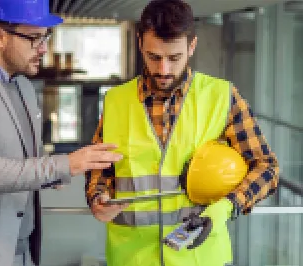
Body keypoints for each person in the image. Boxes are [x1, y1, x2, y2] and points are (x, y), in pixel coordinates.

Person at [0, 0, 122, 266]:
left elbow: (29, 160)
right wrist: (65, 164)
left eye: (45, 38)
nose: (43, 49)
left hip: (21, 248)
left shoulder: (23, 87)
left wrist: (78, 174)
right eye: (34, 39)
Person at [85, 0, 279, 266]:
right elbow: (99, 169)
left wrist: (224, 208)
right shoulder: (115, 101)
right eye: (154, 57)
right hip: (131, 259)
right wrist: (98, 198)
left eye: (174, 58)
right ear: (140, 43)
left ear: (192, 46)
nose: (164, 70)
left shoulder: (222, 96)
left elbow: (267, 168)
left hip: (200, 258)